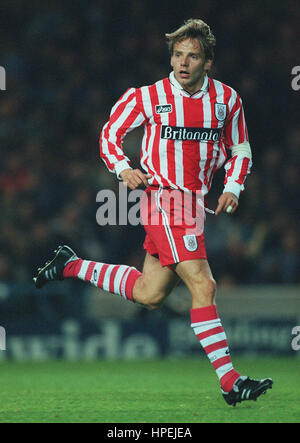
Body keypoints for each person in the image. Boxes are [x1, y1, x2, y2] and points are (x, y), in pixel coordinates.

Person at [34, 18, 272, 406]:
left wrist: (232, 187)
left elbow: (240, 148)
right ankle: (231, 382)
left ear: (207, 61)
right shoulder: (148, 96)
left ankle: (70, 265)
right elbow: (109, 134)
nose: (183, 62)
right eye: (177, 54)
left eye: (192, 56)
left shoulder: (228, 100)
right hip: (163, 198)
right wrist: (123, 168)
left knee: (150, 294)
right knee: (204, 285)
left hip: (194, 204)